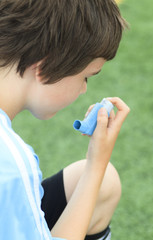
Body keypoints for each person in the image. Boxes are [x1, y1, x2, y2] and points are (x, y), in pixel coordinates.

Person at [0, 0, 130, 239]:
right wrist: (97, 163)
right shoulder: (13, 162)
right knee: (97, 179)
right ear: (47, 68)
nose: (83, 89)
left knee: (104, 185)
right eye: (86, 77)